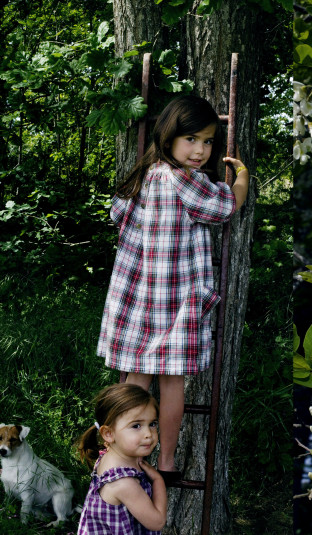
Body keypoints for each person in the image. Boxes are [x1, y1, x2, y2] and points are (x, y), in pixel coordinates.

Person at [96, 94, 249, 485]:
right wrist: (243, 179)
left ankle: (119, 456)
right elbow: (226, 207)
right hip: (175, 303)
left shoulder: (143, 175)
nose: (200, 150)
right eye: (192, 139)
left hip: (135, 301)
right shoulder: (183, 180)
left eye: (209, 142)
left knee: (133, 383)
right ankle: (164, 461)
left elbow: (117, 213)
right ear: (169, 138)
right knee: (172, 384)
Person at [77, 383, 167, 534]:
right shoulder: (124, 484)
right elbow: (157, 522)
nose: (148, 434)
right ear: (108, 434)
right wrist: (158, 481)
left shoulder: (111, 454)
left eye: (152, 424)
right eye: (136, 426)